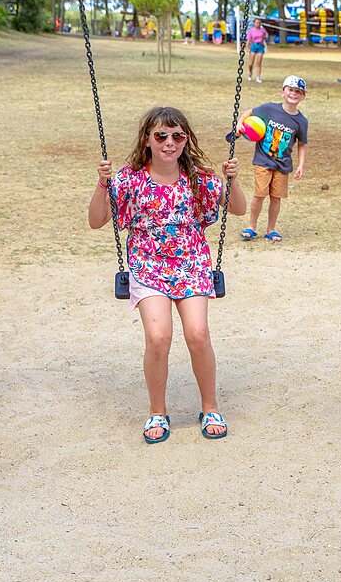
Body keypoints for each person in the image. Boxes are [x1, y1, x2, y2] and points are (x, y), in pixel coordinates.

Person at [90, 106, 246, 443]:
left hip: (191, 263)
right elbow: (96, 220)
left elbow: (238, 209)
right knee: (159, 338)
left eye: (177, 136)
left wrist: (233, 179)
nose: (169, 142)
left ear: (185, 140)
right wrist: (102, 185)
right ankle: (157, 412)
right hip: (148, 265)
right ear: (147, 140)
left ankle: (210, 406)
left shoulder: (197, 177)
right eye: (161, 135)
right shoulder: (130, 179)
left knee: (198, 334)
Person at [240, 75, 309, 244]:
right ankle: (252, 226)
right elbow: (249, 112)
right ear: (282, 92)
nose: (294, 94)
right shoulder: (269, 109)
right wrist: (239, 124)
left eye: (298, 92)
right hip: (263, 160)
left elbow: (302, 144)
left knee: (276, 198)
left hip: (282, 165)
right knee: (259, 194)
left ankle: (271, 229)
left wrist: (301, 164)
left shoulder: (301, 121)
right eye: (290, 90)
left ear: (303, 96)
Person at [246, 17, 268, 83]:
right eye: (257, 22)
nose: (258, 24)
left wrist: (264, 35)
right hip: (253, 45)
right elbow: (249, 39)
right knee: (251, 63)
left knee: (259, 63)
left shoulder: (262, 30)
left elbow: (265, 37)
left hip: (260, 46)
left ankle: (258, 76)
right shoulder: (251, 31)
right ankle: (250, 72)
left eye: (259, 23)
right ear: (254, 23)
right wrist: (247, 47)